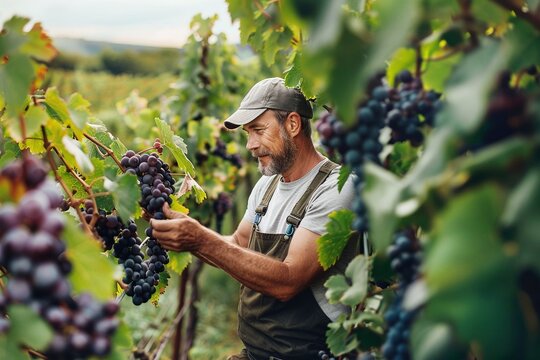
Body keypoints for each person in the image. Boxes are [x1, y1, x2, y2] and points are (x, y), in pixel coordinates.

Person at [150, 77, 359, 359]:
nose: (250, 144)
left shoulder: (336, 189)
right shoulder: (266, 186)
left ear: (293, 124)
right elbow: (237, 243)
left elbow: (289, 280)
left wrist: (199, 240)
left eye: (259, 130)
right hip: (255, 352)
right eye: (247, 133)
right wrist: (185, 236)